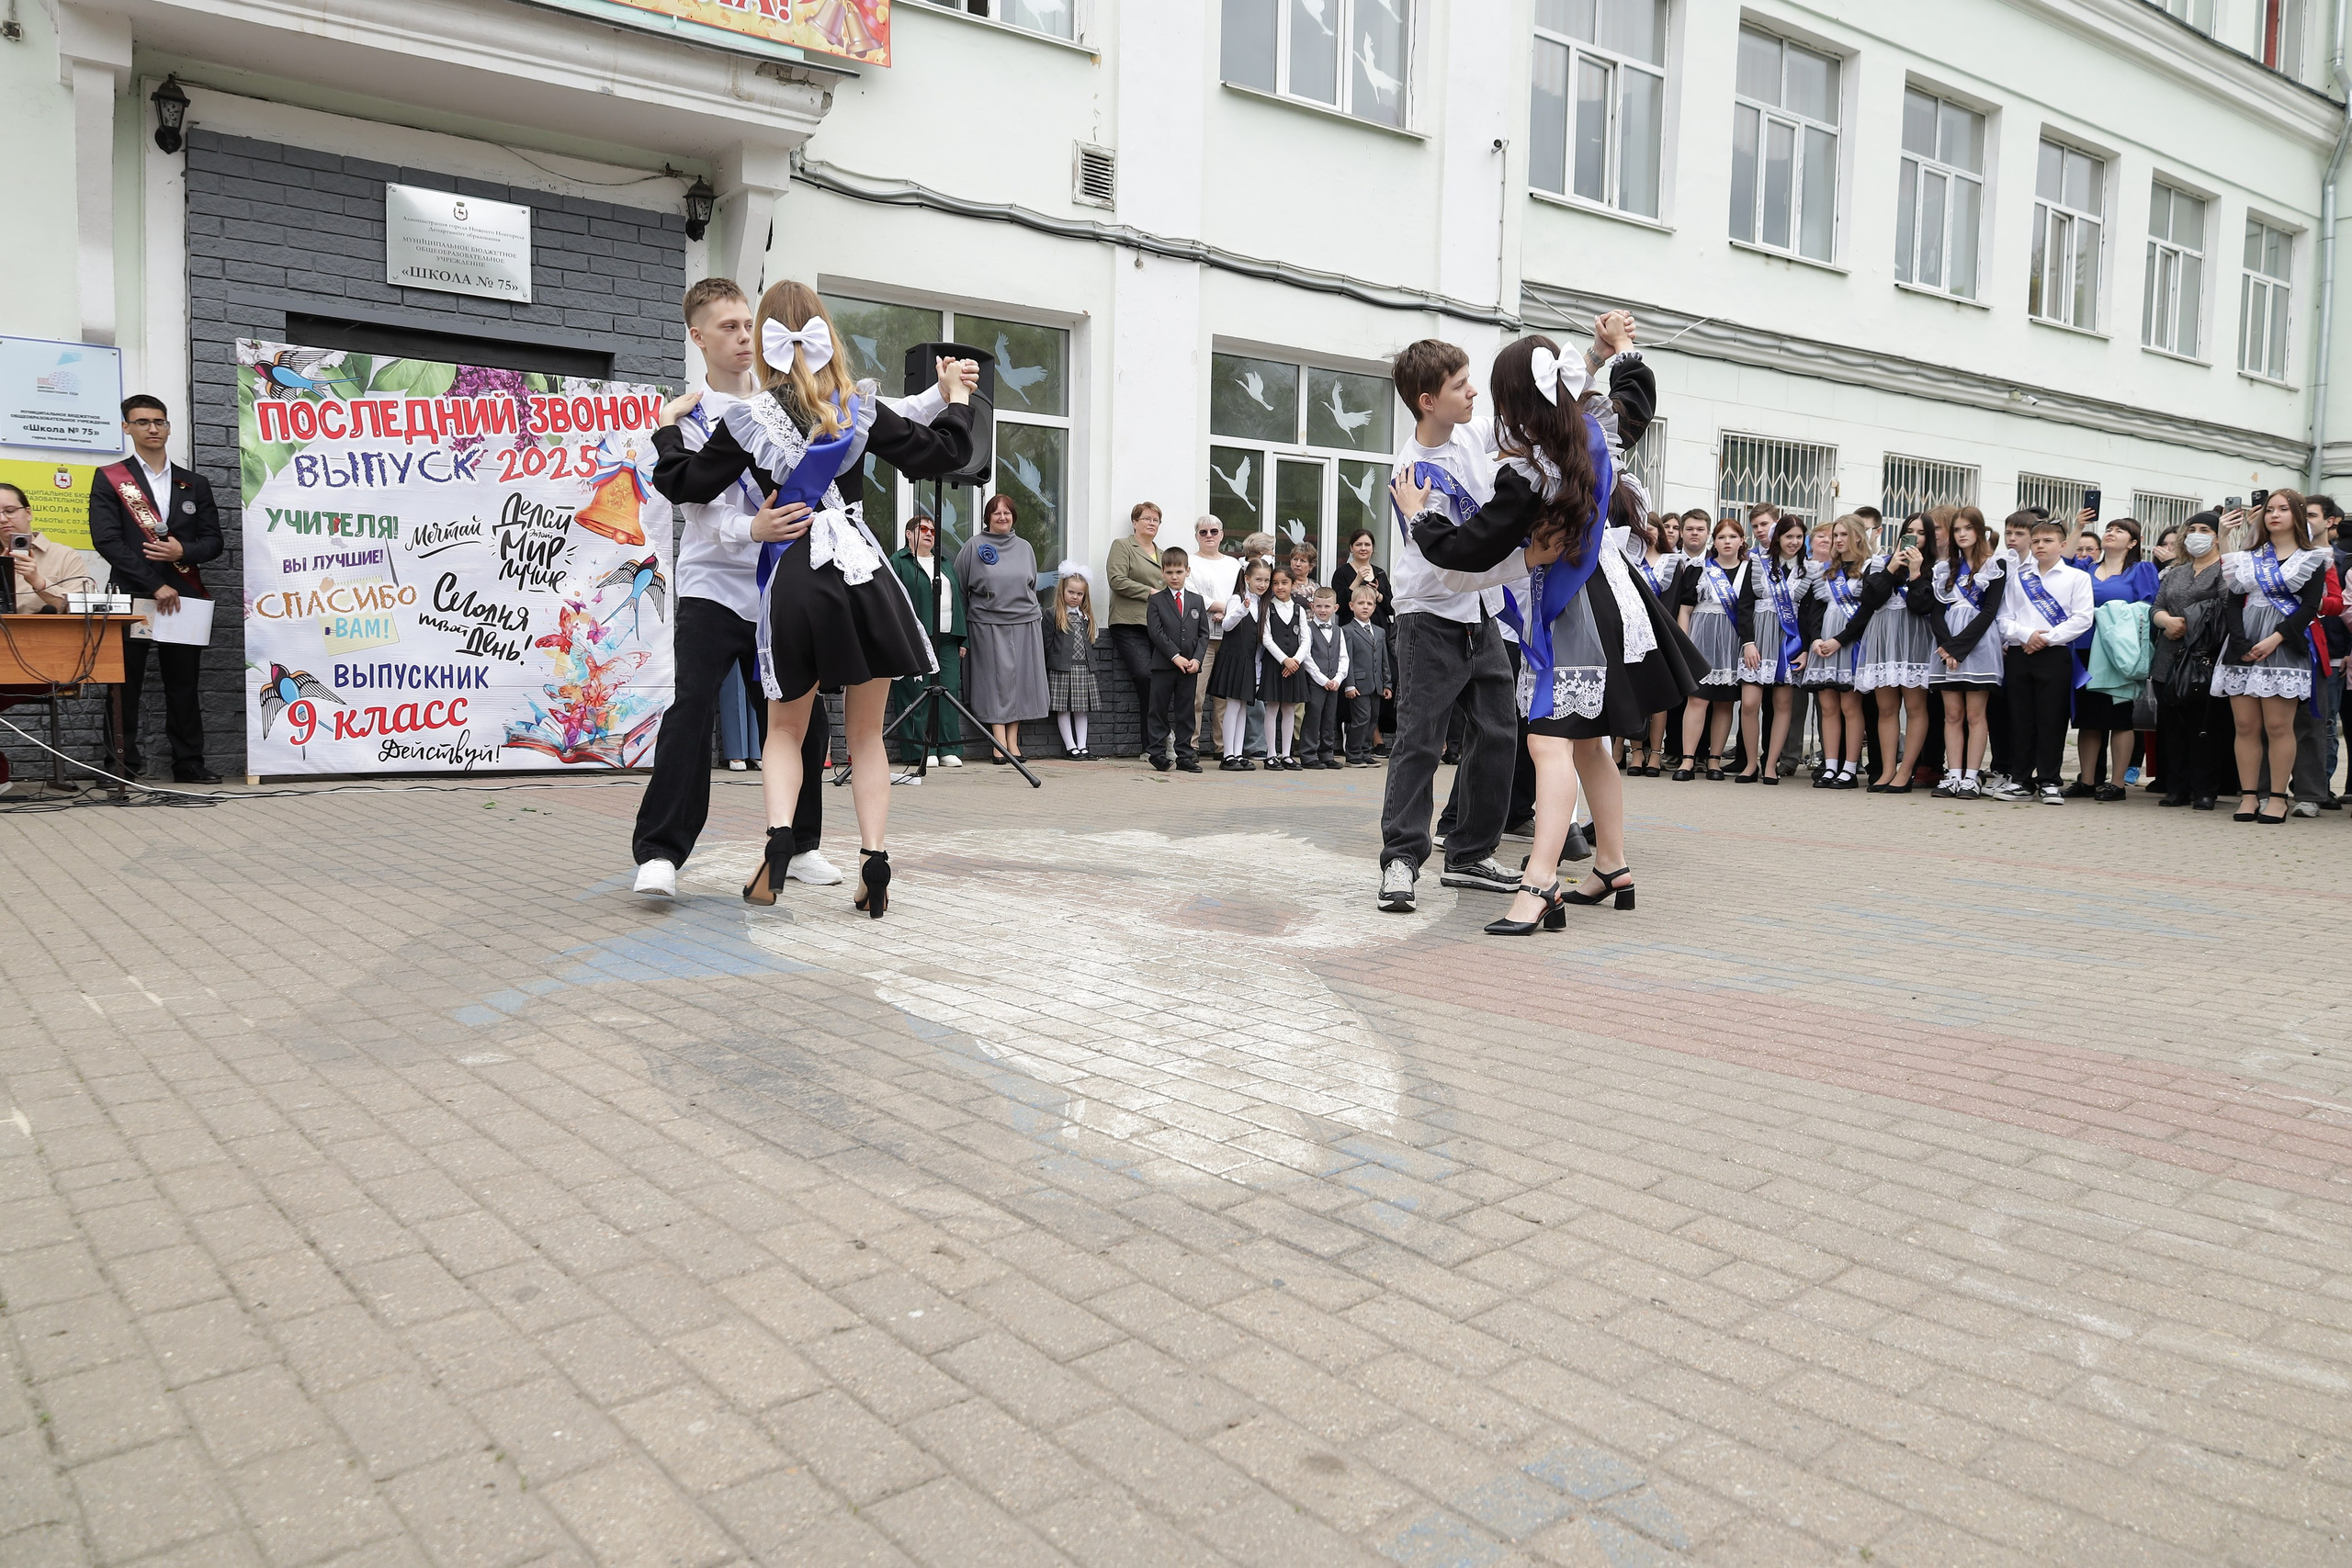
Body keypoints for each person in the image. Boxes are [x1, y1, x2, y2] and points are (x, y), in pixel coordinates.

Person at [649, 279, 976, 915]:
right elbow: (946, 453)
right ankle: (874, 859)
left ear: (768, 341)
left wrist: (668, 430)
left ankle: (779, 840)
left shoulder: (747, 418)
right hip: (862, 573)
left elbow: (679, 482)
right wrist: (956, 399)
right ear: (826, 334)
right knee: (866, 737)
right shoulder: (859, 407)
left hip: (794, 580)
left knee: (785, 727)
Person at [1402, 330, 1697, 933]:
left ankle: (1539, 883)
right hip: (1615, 602)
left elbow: (1469, 549)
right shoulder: (1589, 430)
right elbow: (1636, 396)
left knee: (1549, 744)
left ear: (1516, 396)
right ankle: (1613, 864)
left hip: (1572, 614)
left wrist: (1420, 518)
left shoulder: (1529, 470)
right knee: (1588, 743)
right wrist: (1618, 352)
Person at [1375, 337, 1522, 911]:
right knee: (1421, 741)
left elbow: (1528, 418)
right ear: (1427, 399)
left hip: (1479, 615)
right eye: (1462, 386)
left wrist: (1591, 357)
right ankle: (1401, 861)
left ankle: (1469, 854)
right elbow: (1450, 556)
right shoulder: (1412, 477)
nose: (1474, 392)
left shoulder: (1469, 434)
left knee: (1499, 732)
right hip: (1429, 618)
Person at [89, 394, 223, 783]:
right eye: (143, 422)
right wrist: (154, 584)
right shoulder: (111, 477)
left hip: (185, 595)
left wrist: (184, 550)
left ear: (168, 427)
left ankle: (188, 763)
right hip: (133, 595)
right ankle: (119, 765)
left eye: (159, 422)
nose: (152, 428)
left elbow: (214, 541)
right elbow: (107, 541)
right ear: (126, 427)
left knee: (183, 684)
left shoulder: (193, 483)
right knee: (123, 683)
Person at [2217, 489, 2326, 824]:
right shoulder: (2248, 557)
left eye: (2283, 509)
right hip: (2243, 643)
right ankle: (2249, 795)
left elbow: (2309, 606)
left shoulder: (2313, 558)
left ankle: (2278, 797)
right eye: (2269, 510)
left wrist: (2275, 639)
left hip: (2283, 642)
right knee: (2245, 725)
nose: (2274, 515)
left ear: (2297, 514)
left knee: (2279, 726)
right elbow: (2233, 600)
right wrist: (2238, 639)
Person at [1987, 514, 2093, 804]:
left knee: (2052, 718)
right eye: (2036, 541)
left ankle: (2049, 780)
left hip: (2056, 654)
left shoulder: (2077, 577)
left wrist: (2046, 638)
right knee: (2020, 718)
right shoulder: (2018, 578)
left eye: (2048, 540)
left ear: (2062, 544)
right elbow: (2003, 617)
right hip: (2021, 654)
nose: (2041, 546)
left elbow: (2082, 618)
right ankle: (2020, 780)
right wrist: (2027, 634)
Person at [2065, 517, 2159, 800]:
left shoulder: (2139, 569)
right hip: (2085, 649)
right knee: (2089, 718)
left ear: (2132, 543)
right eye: (2109, 529)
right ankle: (2088, 780)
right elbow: (2065, 563)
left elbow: (2148, 608)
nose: (2111, 533)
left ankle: (2117, 783)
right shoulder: (2088, 568)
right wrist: (2078, 528)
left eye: (2119, 531)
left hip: (2119, 651)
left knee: (2118, 717)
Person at [960, 493, 1049, 765]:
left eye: (1007, 513)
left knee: (1019, 681)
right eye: (996, 513)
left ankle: (1013, 741)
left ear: (1013, 517)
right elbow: (961, 587)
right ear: (988, 517)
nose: (1002, 517)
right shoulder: (974, 545)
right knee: (994, 682)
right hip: (987, 624)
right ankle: (998, 742)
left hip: (1024, 623)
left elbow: (1031, 585)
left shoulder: (1025, 547)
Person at [1849, 512, 1935, 793]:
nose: (1915, 537)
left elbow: (1922, 605)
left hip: (1914, 638)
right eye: (1910, 531)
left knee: (1914, 707)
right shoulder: (1880, 561)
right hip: (1883, 638)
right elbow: (1870, 600)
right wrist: (1890, 568)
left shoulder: (1935, 566)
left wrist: (1915, 573)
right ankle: (1886, 770)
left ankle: (1906, 770)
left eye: (1921, 533)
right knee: (1886, 709)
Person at [2151, 510, 2232, 811]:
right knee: (2172, 728)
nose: (2197, 534)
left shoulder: (2225, 569)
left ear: (2217, 536)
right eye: (2193, 528)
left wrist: (2191, 625)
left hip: (2204, 660)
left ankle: (2206, 789)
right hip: (2168, 659)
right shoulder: (2176, 571)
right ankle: (2176, 788)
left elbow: (2226, 606)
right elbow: (2156, 605)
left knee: (2205, 728)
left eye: (2205, 530)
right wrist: (2165, 621)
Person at [1928, 506, 2008, 798]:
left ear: (1979, 530)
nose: (1962, 534)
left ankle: (1972, 777)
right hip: (1946, 645)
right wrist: (1947, 646)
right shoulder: (1943, 568)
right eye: (1957, 530)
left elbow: (1989, 612)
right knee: (1952, 714)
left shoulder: (1995, 565)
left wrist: (1958, 648)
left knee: (1975, 715)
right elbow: (1936, 613)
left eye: (1967, 529)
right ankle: (1952, 774)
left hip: (1978, 645)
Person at [1736, 515, 1813, 784]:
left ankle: (1770, 764)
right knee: (1749, 703)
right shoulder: (1758, 563)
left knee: (1782, 705)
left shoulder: (1808, 570)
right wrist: (1747, 642)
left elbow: (1808, 614)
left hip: (1788, 642)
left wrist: (1804, 648)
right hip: (1757, 639)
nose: (1793, 542)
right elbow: (1744, 604)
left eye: (1799, 537)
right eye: (1789, 536)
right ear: (1778, 537)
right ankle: (1749, 763)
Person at [1674, 517, 1751, 781]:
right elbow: (1685, 609)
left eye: (1732, 537)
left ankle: (1715, 760)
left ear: (1741, 540)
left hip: (1732, 643)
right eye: (1721, 537)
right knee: (1697, 699)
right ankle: (1687, 760)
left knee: (1724, 703)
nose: (1726, 542)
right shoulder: (1699, 568)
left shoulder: (1749, 571)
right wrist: (1685, 645)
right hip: (1701, 640)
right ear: (1713, 541)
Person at [888, 512, 966, 767]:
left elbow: (958, 600)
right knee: (913, 691)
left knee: (949, 690)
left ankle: (947, 747)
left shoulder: (943, 562)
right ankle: (918, 750)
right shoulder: (898, 561)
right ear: (909, 534)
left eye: (932, 531)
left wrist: (962, 639)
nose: (929, 534)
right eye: (923, 529)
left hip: (947, 638)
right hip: (914, 637)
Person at [1805, 514, 1871, 789]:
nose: (1838, 540)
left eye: (1843, 534)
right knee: (1828, 706)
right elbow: (1815, 611)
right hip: (1825, 646)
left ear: (1857, 536)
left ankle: (1849, 767)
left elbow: (1865, 613)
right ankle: (1830, 765)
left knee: (1850, 706)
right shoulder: (1827, 572)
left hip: (1850, 643)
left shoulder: (1869, 568)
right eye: (1835, 535)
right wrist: (1816, 639)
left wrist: (1839, 640)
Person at [1625, 502, 1687, 774]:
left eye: (1653, 528)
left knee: (1660, 696)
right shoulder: (1627, 558)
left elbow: (1673, 600)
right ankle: (1636, 752)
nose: (1649, 533)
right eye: (1644, 528)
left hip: (1661, 633)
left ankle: (1656, 754)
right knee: (1636, 695)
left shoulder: (1673, 561)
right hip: (1632, 633)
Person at [1175, 516, 1241, 756]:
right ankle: (1190, 746)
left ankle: (1224, 748)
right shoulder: (1190, 562)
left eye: (1214, 531)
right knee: (1196, 695)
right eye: (1203, 532)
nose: (1209, 535)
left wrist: (1228, 610)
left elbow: (1241, 594)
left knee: (1224, 698)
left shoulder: (1234, 565)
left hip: (1231, 636)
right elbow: (1188, 593)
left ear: (1222, 534)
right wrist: (1217, 605)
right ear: (1196, 536)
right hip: (1200, 638)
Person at [1329, 525, 1394, 751]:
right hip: (1352, 634)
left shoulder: (1380, 573)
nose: (1363, 548)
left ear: (1373, 548)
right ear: (1351, 548)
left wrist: (1378, 594)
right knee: (1356, 683)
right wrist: (1357, 580)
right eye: (1359, 544)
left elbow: (1391, 606)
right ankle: (1357, 741)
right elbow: (1339, 603)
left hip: (1378, 633)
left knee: (1377, 688)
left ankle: (1372, 739)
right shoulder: (1343, 573)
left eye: (1367, 544)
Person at [1143, 547, 1205, 773]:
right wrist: (1175, 656)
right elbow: (1156, 632)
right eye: (1169, 572)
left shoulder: (1197, 601)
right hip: (1163, 665)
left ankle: (1185, 754)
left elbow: (1203, 634)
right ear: (1162, 573)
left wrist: (1197, 659)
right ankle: (1157, 753)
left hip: (1189, 668)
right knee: (1158, 709)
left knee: (1186, 710)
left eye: (1179, 571)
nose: (1174, 577)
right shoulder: (1157, 600)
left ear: (1187, 571)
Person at [1104, 502, 1166, 715]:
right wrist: (1149, 591)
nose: (1151, 523)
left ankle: (1154, 742)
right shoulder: (1122, 546)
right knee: (1145, 675)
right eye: (1146, 518)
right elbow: (1117, 580)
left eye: (1155, 520)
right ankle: (1160, 735)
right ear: (1134, 522)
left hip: (1159, 626)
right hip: (1129, 623)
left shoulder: (1164, 554)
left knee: (1163, 679)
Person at [1209, 558, 1270, 769]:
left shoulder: (1262, 603)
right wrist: (1241, 610)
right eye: (1258, 579)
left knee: (1243, 707)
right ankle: (1227, 755)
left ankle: (1237, 752)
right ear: (1247, 579)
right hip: (1234, 659)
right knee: (1233, 706)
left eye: (1266, 580)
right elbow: (1226, 625)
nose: (1262, 584)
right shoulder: (1238, 599)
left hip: (1249, 662)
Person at [1044, 561, 1101, 759]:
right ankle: (1071, 747)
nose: (1075, 597)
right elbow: (1047, 644)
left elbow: (1089, 644)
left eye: (1080, 594)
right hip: (1061, 669)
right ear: (1062, 591)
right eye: (1071, 592)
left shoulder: (1086, 617)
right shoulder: (1053, 615)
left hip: (1082, 669)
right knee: (1063, 709)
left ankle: (1083, 746)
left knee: (1081, 709)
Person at [1258, 565, 1308, 769]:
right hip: (1274, 664)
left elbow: (1306, 639)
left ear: (1293, 584)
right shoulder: (1267, 607)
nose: (1279, 587)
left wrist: (1295, 660)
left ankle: (1286, 754)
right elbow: (1266, 637)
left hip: (1294, 665)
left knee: (1289, 707)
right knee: (1272, 707)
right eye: (1275, 583)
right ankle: (1271, 754)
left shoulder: (1299, 609)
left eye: (1284, 583)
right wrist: (1284, 660)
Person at [4, 484, 85, 613]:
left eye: (10, 511)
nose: (2, 519)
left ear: (28, 513)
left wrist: (38, 581)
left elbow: (82, 611)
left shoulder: (65, 556)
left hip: (47, 632)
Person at [1299, 586, 1350, 769]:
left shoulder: (1339, 631)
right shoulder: (1309, 629)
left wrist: (1338, 678)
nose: (1322, 610)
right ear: (1312, 606)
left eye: (1327, 606)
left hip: (1334, 683)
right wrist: (1322, 679)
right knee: (1313, 717)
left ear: (1335, 608)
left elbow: (1344, 657)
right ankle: (1308, 754)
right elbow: (1307, 657)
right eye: (1319, 606)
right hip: (1316, 682)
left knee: (1329, 718)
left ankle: (1327, 754)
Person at [1340, 585, 1389, 766]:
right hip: (1358, 685)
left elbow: (1384, 659)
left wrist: (1387, 684)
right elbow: (1348, 660)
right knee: (1361, 718)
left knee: (1372, 719)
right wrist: (1349, 684)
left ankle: (1365, 752)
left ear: (1375, 608)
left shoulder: (1380, 632)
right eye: (1361, 603)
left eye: (1370, 603)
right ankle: (1353, 754)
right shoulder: (1347, 630)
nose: (1365, 607)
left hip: (1376, 684)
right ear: (1352, 606)